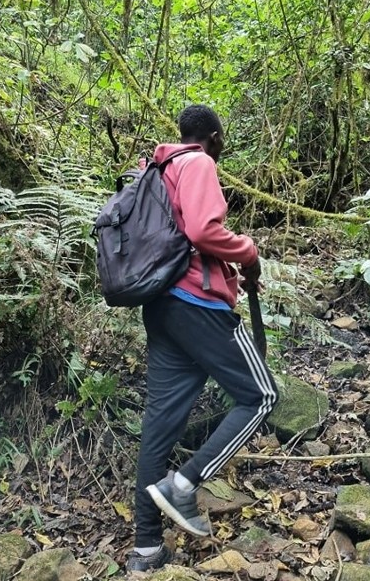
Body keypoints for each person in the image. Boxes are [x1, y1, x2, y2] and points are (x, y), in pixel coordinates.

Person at [126, 105, 279, 573]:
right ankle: (185, 484)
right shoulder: (198, 162)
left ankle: (146, 547)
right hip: (198, 304)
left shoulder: (157, 167)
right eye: (223, 140)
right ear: (213, 137)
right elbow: (202, 230)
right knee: (261, 396)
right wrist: (248, 252)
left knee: (160, 424)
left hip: (162, 306)